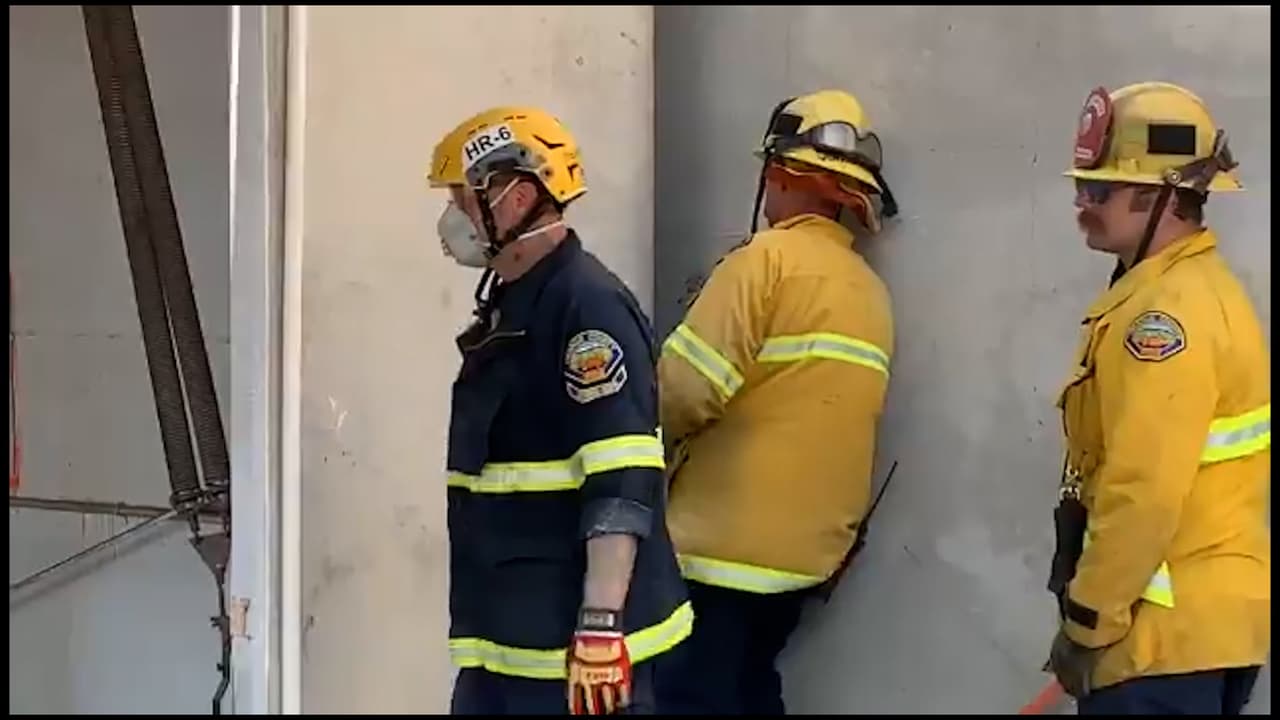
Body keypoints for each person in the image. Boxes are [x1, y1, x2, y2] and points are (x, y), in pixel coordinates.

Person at [426, 106, 692, 715]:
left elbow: (622, 477)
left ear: (516, 198)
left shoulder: (586, 308)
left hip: (572, 659)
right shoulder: (517, 302)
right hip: (508, 640)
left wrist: (600, 625)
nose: (451, 219)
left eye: (463, 199)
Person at [653, 89, 899, 714]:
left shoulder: (762, 263)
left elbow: (683, 392)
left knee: (694, 697)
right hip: (806, 557)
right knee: (753, 688)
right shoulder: (869, 290)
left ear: (781, 175)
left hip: (718, 551)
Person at [1047, 82, 1271, 715]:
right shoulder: (1186, 290)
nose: (1081, 206)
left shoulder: (1165, 318)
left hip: (1159, 640)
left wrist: (1087, 621)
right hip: (1200, 633)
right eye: (1079, 189)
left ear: (1160, 199)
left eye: (1099, 191)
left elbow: (1142, 488)